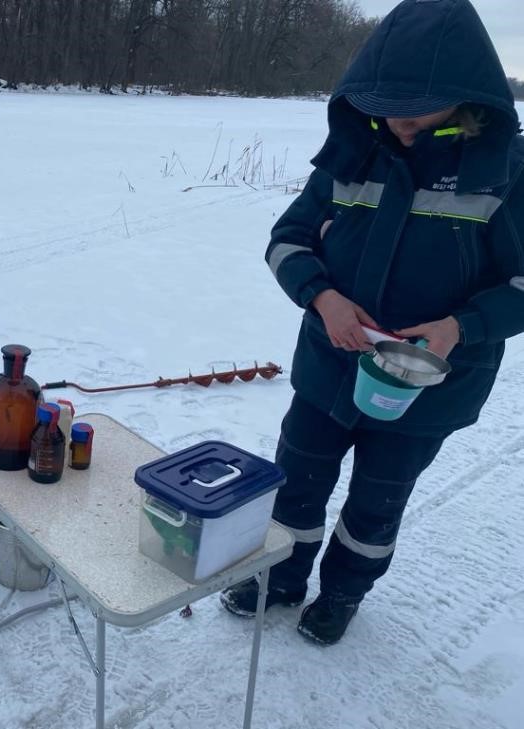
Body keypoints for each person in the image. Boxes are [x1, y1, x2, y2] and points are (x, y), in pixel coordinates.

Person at [220, 0, 524, 645]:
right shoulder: (353, 150)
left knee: (376, 503)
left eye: (420, 102)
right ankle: (281, 576)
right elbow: (288, 241)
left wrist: (460, 326)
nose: (399, 116)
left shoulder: (506, 171)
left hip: (430, 382)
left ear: (466, 96)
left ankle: (343, 595)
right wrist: (322, 298)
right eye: (387, 100)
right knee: (295, 484)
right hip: (331, 363)